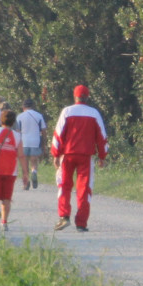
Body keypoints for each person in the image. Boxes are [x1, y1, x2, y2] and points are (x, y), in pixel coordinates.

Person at [51, 85, 109, 232]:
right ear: (87, 97)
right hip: (86, 157)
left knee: (64, 185)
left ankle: (64, 216)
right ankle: (81, 223)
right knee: (84, 189)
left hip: (68, 155)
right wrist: (103, 156)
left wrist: (56, 154)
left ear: (74, 96)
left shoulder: (67, 111)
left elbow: (58, 134)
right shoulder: (94, 113)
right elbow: (102, 137)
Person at [14, 99, 48, 190]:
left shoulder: (19, 117)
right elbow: (44, 131)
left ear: (23, 107)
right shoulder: (39, 116)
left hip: (23, 142)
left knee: (24, 163)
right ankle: (34, 172)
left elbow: (17, 131)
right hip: (35, 141)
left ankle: (26, 183)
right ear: (33, 106)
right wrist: (44, 143)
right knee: (34, 161)